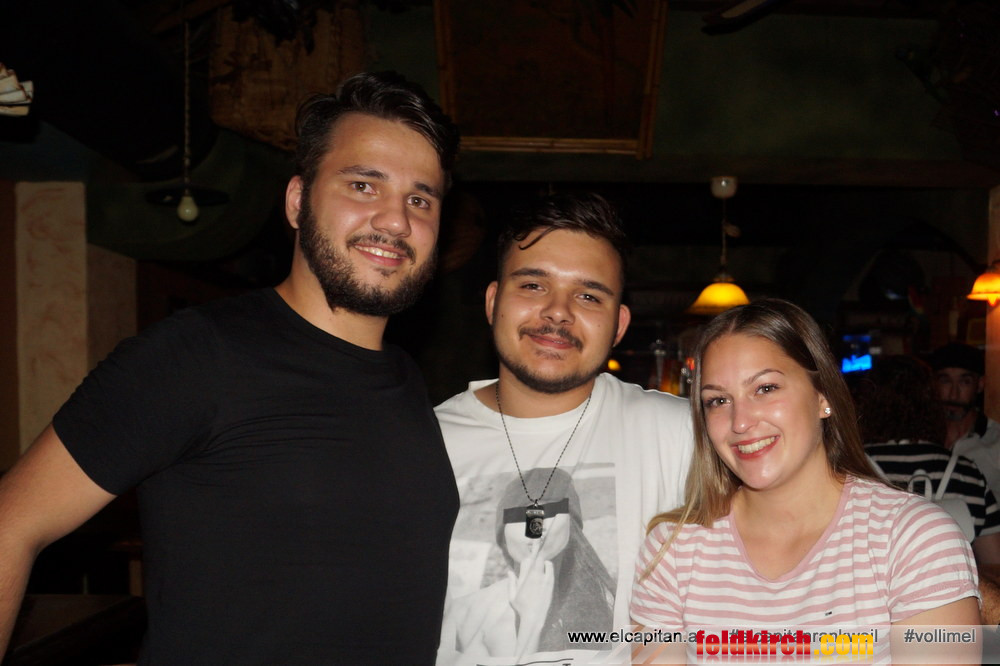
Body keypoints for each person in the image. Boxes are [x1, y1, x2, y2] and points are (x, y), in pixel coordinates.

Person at [0, 71, 461, 664]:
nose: (396, 220)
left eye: (420, 199)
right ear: (298, 201)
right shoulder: (197, 354)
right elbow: (13, 521)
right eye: (363, 185)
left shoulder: (406, 379)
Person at [631, 299, 980, 662]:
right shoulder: (674, 550)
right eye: (718, 400)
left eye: (765, 388)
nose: (740, 422)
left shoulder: (912, 538)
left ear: (822, 396)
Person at [435, 193, 693, 665]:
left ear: (619, 325)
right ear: (493, 302)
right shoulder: (423, 442)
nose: (558, 312)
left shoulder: (680, 434)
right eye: (533, 285)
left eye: (588, 296)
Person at [857, 354, 1000, 564]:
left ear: (866, 404)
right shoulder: (966, 473)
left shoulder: (849, 466)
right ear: (932, 404)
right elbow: (994, 564)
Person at [930, 342, 1000, 495]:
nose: (953, 394)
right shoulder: (920, 437)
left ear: (980, 384)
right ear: (934, 384)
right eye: (945, 381)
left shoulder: (995, 442)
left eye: (964, 382)